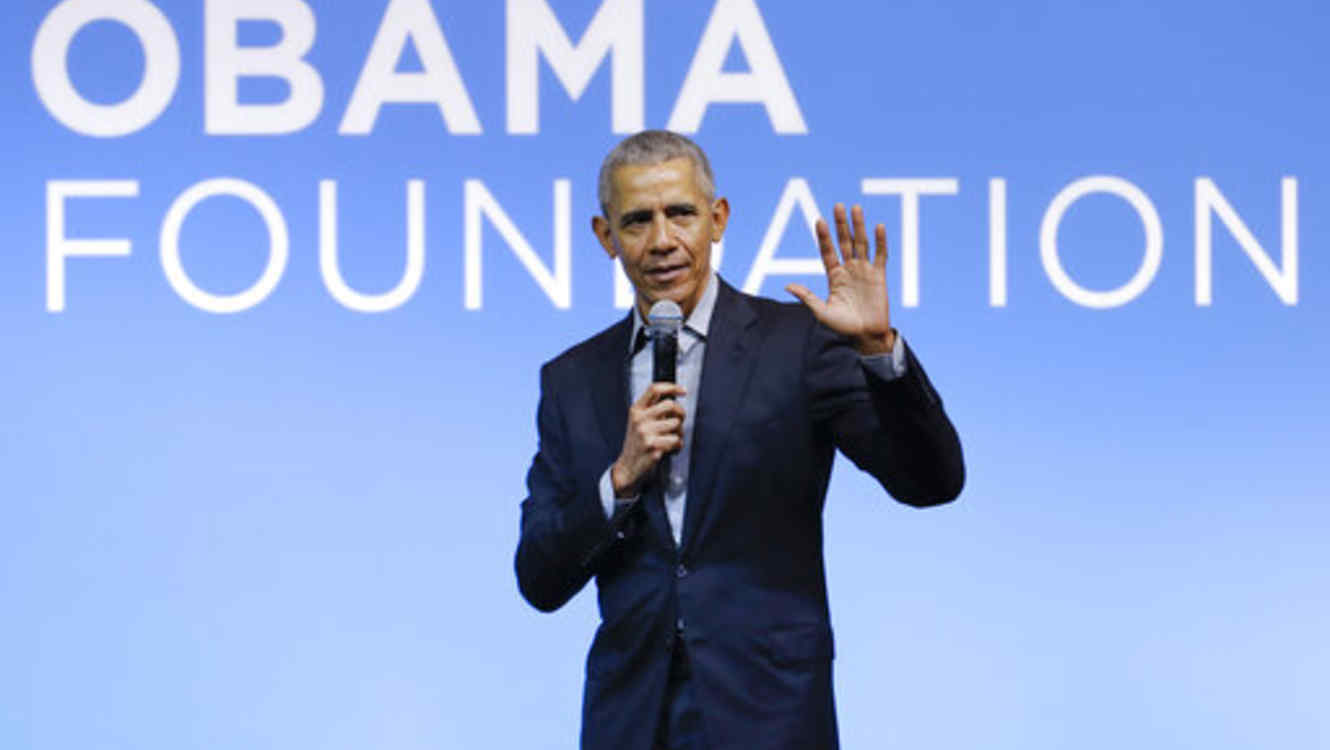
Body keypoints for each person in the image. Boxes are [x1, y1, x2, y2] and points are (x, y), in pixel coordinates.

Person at [515, 130, 964, 750]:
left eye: (681, 213)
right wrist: (619, 478)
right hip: (632, 721)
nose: (663, 240)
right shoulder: (572, 380)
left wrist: (878, 352)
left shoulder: (798, 343)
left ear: (717, 219)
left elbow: (931, 482)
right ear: (605, 237)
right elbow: (538, 577)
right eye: (638, 221)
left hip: (770, 714)